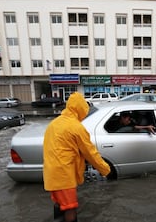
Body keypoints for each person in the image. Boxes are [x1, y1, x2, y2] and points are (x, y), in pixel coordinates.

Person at [43, 92, 111, 222]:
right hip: (64, 175)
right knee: (70, 207)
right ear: (81, 109)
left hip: (50, 174)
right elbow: (90, 153)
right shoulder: (76, 127)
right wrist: (105, 169)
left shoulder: (53, 124)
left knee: (59, 204)